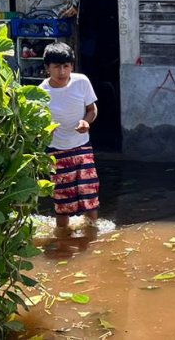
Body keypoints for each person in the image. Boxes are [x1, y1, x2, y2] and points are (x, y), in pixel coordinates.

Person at [39, 42, 100, 238]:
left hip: (82, 146)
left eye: (66, 66)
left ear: (72, 66)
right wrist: (45, 130)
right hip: (56, 151)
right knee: (62, 200)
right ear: (47, 68)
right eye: (57, 67)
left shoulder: (82, 82)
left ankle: (92, 236)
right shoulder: (41, 93)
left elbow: (92, 109)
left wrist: (86, 122)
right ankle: (62, 238)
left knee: (90, 194)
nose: (62, 72)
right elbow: (37, 125)